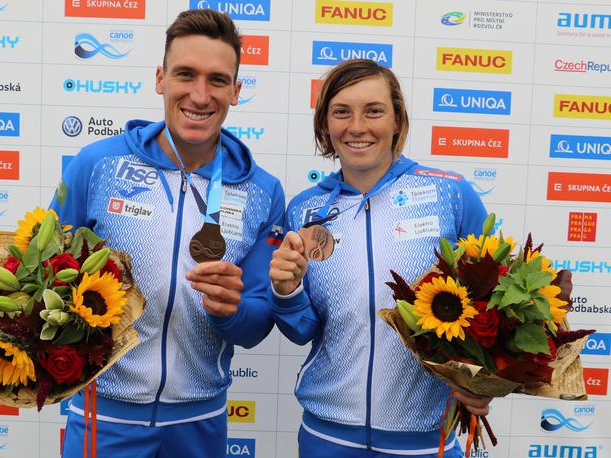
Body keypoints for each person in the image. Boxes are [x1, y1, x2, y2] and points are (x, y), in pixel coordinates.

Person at [51, 9, 285, 458]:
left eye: (217, 80)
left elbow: (256, 325)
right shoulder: (98, 164)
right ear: (160, 79)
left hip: (200, 423)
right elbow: (41, 281)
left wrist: (229, 312)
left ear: (236, 91)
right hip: (105, 417)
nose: (200, 94)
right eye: (185, 74)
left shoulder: (262, 190)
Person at [269, 59, 492, 457]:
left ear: (397, 121)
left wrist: (481, 381)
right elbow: (303, 330)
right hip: (328, 439)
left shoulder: (451, 195)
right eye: (341, 112)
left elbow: (495, 307)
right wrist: (286, 293)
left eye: (373, 110)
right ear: (325, 125)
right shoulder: (305, 210)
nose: (357, 126)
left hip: (426, 442)